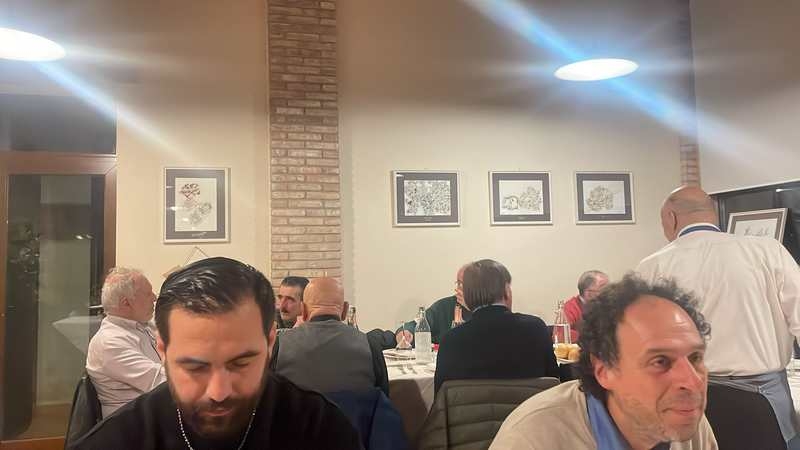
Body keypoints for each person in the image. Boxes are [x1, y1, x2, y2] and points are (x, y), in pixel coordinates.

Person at [69, 257, 360, 450]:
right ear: (163, 351)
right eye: (195, 367)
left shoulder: (322, 430)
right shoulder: (117, 441)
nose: (219, 392)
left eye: (241, 363)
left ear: (270, 342)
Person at [636, 185, 800, 448]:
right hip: (765, 400)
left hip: (688, 397)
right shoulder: (767, 251)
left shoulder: (653, 266)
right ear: (712, 214)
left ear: (671, 218)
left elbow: (640, 343)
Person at [490, 274, 718, 450]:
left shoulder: (682, 418)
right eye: (660, 361)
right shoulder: (533, 438)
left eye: (695, 358)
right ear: (603, 371)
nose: (693, 382)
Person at [433, 259, 559, 393]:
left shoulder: (452, 340)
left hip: (472, 407)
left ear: (467, 297)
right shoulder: (535, 329)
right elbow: (553, 383)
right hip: (527, 406)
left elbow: (441, 396)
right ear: (506, 290)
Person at [272, 277, 389, 395]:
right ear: (345, 310)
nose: (282, 306)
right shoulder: (369, 345)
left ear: (304, 311)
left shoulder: (279, 345)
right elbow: (383, 396)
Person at [85, 267, 165, 418]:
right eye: (148, 294)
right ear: (126, 303)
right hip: (133, 423)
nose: (155, 298)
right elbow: (160, 382)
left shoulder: (142, 326)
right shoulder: (110, 343)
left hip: (153, 412)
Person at [396, 264, 471, 346]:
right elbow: (415, 324)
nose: (459, 288)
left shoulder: (482, 312)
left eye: (465, 284)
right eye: (458, 283)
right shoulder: (444, 306)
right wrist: (405, 332)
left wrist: (469, 306)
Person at [561, 270, 608, 341]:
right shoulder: (570, 307)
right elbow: (561, 334)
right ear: (588, 292)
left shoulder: (607, 306)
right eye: (603, 288)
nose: (609, 292)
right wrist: (589, 337)